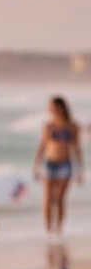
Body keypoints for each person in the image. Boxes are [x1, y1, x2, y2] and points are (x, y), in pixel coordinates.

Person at [34, 96, 83, 233]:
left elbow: (76, 148)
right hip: (49, 164)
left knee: (59, 199)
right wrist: (36, 166)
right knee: (47, 199)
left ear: (62, 108)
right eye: (51, 108)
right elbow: (42, 146)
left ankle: (58, 229)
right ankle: (48, 230)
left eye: (55, 107)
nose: (52, 110)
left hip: (65, 164)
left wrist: (79, 170)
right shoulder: (48, 126)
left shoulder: (72, 126)